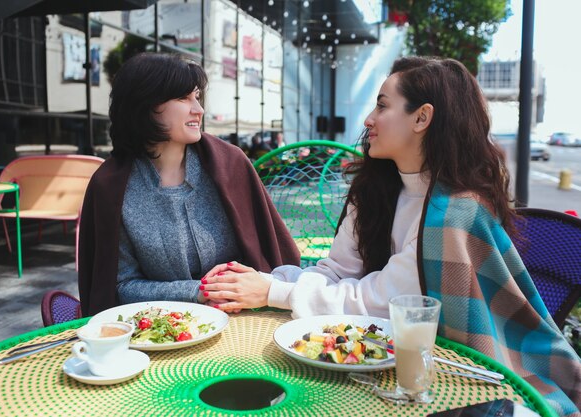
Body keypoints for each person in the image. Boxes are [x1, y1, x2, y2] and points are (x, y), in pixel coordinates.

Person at [202, 56, 581, 415]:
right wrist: (262, 281)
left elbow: (388, 304)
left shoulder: (456, 212)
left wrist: (273, 292)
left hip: (470, 378)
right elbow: (338, 271)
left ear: (422, 118)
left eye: (382, 106)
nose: (368, 119)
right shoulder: (376, 187)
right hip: (383, 366)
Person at [78, 53, 300, 317]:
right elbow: (119, 288)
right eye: (184, 98)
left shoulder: (231, 165)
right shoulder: (111, 186)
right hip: (157, 329)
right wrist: (198, 291)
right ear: (145, 105)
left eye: (196, 96)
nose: (199, 109)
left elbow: (268, 259)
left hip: (242, 319)